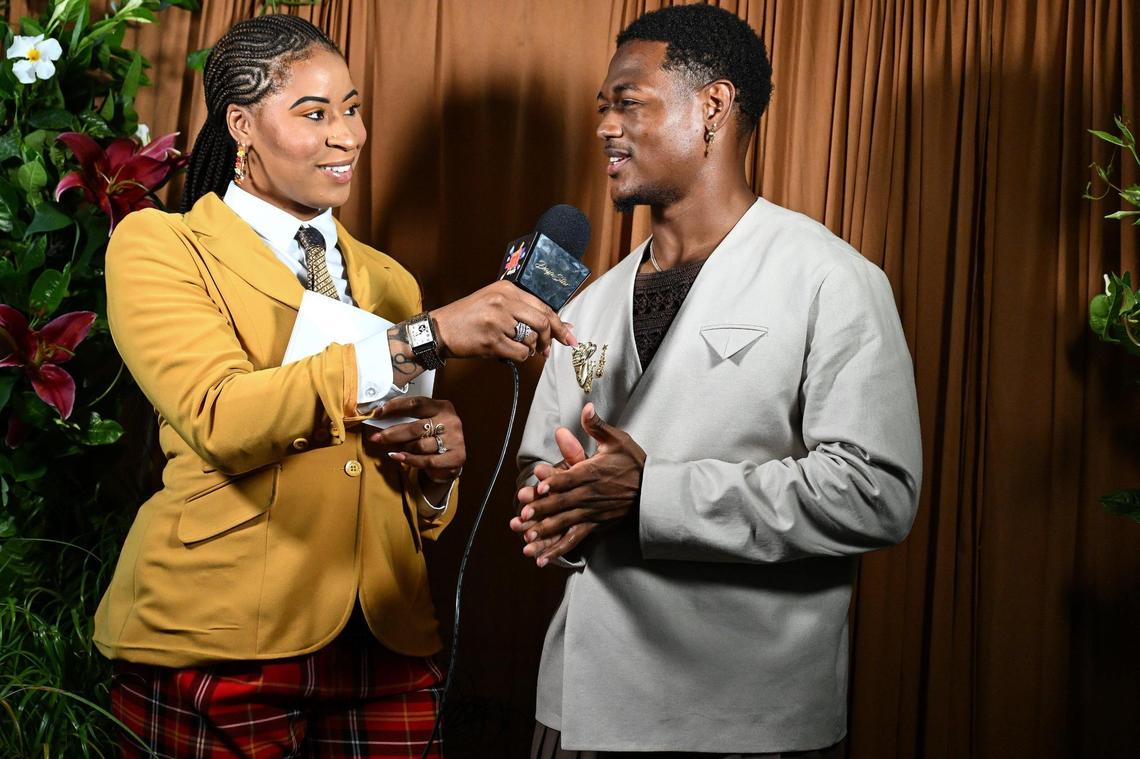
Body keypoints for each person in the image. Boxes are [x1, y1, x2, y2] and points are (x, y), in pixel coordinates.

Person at [95, 14, 571, 758]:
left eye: (351, 108)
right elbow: (221, 415)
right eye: (314, 113)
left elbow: (397, 493)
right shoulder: (163, 246)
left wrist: (437, 475)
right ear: (242, 125)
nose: (348, 135)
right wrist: (428, 337)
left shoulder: (388, 278)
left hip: (384, 643)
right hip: (221, 640)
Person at [510, 5, 922, 757]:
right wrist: (554, 504)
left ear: (714, 107)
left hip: (744, 720)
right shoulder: (584, 304)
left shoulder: (830, 279)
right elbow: (543, 468)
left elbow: (876, 492)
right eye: (602, 106)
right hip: (582, 707)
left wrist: (652, 493)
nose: (605, 125)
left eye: (628, 101)